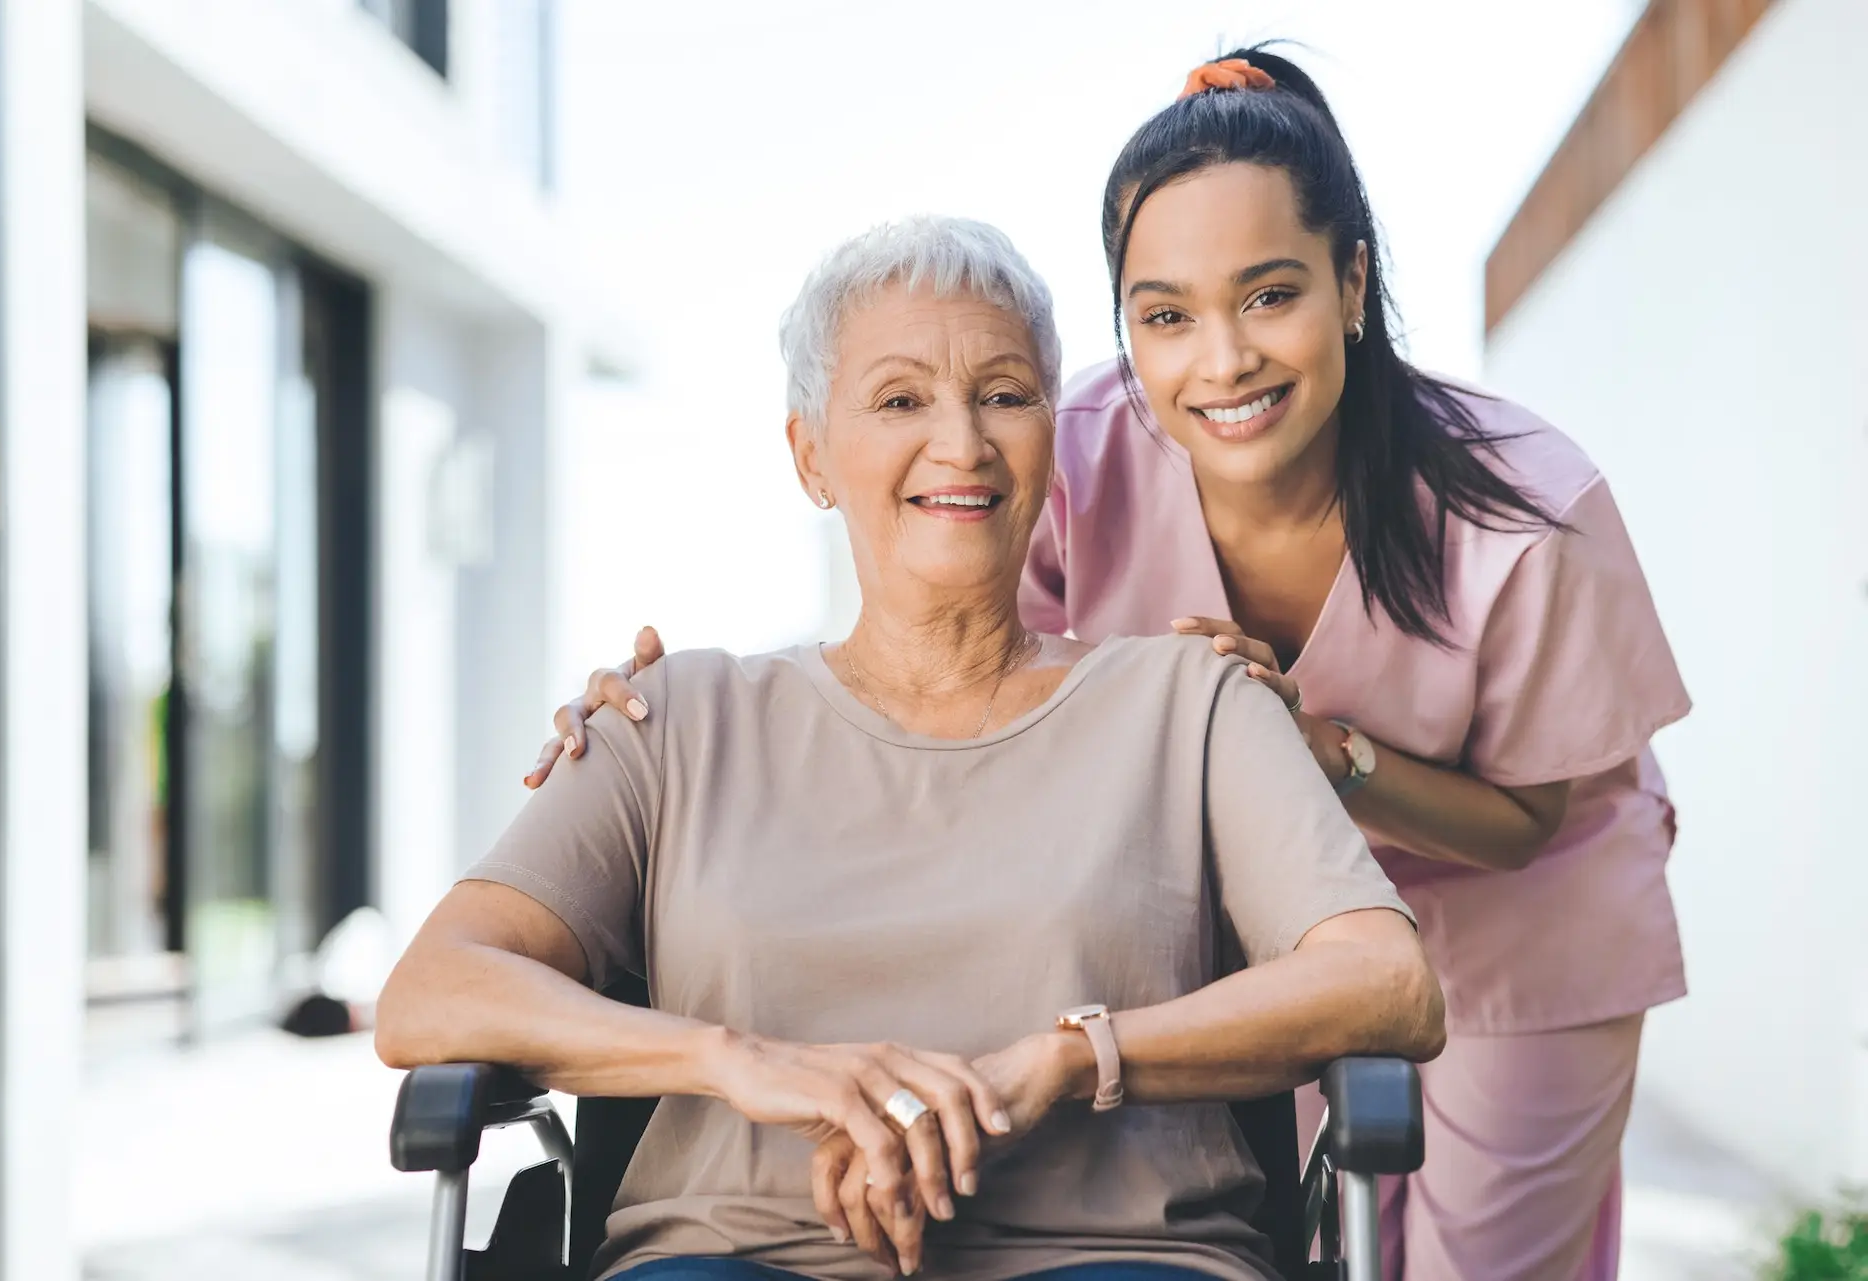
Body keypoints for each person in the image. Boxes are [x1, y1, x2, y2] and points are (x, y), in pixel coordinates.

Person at [530, 50, 1689, 1281]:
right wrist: (674, 720)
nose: (1222, 360)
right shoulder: (1068, 444)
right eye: (1167, 315)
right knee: (1314, 1229)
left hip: (1512, 910)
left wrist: (1325, 754)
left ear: (1353, 283)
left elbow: (1523, 823)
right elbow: (964, 675)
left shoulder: (1528, 509)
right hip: (1267, 922)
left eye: (1269, 295)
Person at [380, 215, 1446, 1281]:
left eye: (1005, 395)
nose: (963, 443)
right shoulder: (675, 719)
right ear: (811, 456)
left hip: (1117, 1254)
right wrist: (739, 1062)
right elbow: (435, 987)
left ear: (1052, 439)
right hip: (735, 1256)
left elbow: (1388, 982)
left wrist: (1069, 1061)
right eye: (900, 401)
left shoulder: (1192, 703)